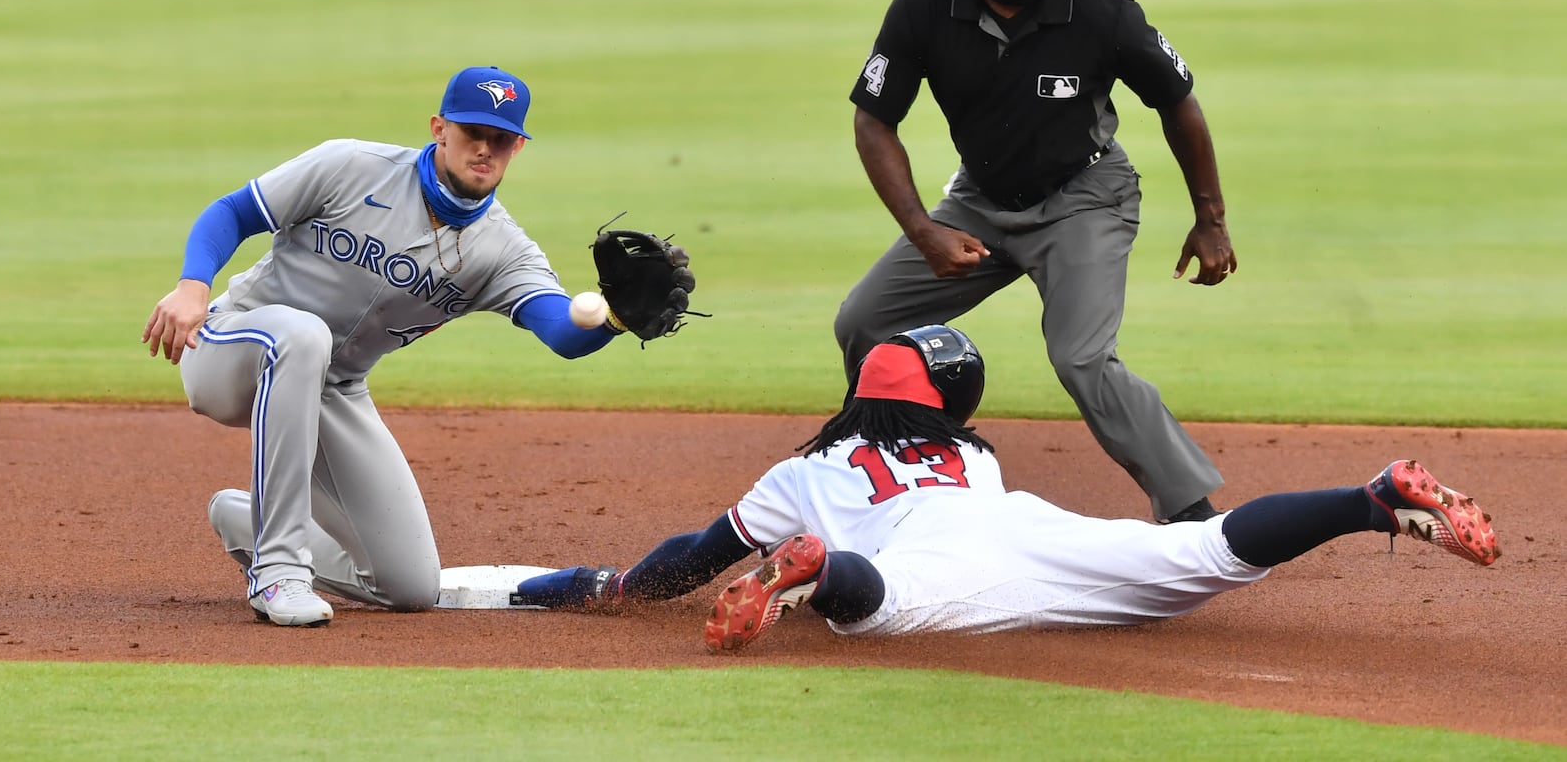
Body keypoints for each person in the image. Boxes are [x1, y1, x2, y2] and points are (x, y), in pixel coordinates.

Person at [516, 325, 1499, 653]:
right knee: (1201, 556)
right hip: (1024, 523)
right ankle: (1369, 498)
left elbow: (694, 556)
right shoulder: (973, 454)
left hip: (930, 556)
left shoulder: (802, 471)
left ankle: (815, 569)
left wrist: (614, 588)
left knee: (879, 609)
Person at [142, 66, 641, 627]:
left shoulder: (501, 250)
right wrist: (192, 288)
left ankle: (247, 521)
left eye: (499, 138)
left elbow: (559, 330)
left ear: (518, 146)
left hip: (333, 387)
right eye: (471, 131)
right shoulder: (352, 167)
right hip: (233, 346)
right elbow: (233, 213)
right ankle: (278, 571)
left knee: (408, 585)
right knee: (303, 334)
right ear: (438, 129)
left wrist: (616, 321)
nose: (484, 148)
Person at [834, 0, 1237, 523]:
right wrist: (923, 230)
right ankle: (878, 468)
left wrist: (1210, 218)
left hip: (1084, 196)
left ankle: (1191, 513)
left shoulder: (1101, 10)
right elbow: (874, 121)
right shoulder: (926, 1)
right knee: (865, 321)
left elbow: (1178, 104)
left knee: (1082, 359)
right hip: (979, 201)